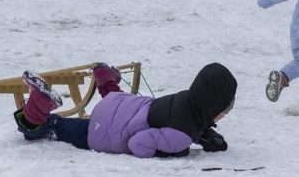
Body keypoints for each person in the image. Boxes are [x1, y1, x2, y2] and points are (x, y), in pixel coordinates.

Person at [13, 62, 236, 157]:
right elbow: (137, 144)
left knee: (125, 105)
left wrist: (204, 134)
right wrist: (175, 152)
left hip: (119, 103)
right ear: (212, 107)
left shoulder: (185, 100)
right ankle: (37, 110)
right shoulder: (182, 136)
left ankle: (106, 82)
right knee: (53, 128)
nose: (225, 114)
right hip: (103, 131)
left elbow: (181, 124)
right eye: (225, 109)